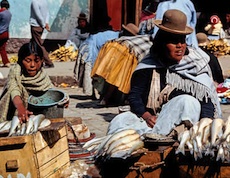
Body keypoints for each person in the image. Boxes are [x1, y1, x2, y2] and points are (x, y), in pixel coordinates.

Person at [107, 9, 222, 137]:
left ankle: (157, 138)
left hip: (183, 128)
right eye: (173, 41)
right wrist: (147, 116)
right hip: (150, 122)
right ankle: (151, 137)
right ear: (162, 43)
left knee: (187, 101)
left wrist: (203, 129)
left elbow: (207, 103)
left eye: (182, 41)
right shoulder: (148, 65)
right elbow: (135, 97)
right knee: (120, 120)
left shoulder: (196, 66)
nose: (179, 46)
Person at [0, 42, 69, 123]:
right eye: (28, 61)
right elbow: (14, 89)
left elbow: (50, 90)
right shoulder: (16, 71)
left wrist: (63, 99)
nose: (32, 65)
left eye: (36, 61)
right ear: (21, 60)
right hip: (17, 111)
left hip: (38, 113)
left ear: (42, 60)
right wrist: (21, 108)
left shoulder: (42, 74)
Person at [73, 23, 139, 98]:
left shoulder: (121, 40)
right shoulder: (115, 39)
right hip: (90, 47)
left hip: (98, 49)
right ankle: (92, 94)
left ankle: (97, 93)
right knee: (91, 71)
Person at [29, 0, 54, 68]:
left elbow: (38, 15)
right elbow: (47, 13)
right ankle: (36, 61)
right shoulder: (44, 1)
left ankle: (48, 62)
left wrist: (43, 24)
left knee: (38, 44)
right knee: (33, 44)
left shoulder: (35, 2)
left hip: (36, 25)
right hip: (41, 26)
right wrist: (46, 23)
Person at [0, 0, 11, 67]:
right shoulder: (9, 13)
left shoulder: (1, 13)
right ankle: (6, 62)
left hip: (0, 32)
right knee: (2, 48)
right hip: (6, 33)